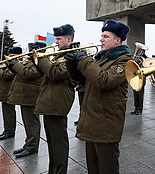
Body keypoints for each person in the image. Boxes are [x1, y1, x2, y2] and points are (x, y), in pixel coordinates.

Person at [64, 19, 131, 173]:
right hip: (92, 124)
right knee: (93, 169)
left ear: (117, 40)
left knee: (108, 169)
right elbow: (81, 82)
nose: (101, 39)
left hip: (106, 126)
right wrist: (72, 63)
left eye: (106, 36)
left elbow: (104, 81)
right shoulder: (101, 59)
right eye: (101, 35)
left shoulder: (125, 62)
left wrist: (84, 60)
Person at [35, 24, 76, 174]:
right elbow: (46, 73)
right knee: (52, 142)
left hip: (58, 102)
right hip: (50, 100)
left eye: (59, 39)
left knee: (59, 144)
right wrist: (36, 60)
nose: (56, 41)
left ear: (69, 39)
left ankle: (60, 171)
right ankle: (53, 170)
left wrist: (42, 58)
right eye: (56, 38)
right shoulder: (59, 54)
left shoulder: (71, 55)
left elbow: (56, 74)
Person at [6, 42, 46, 158]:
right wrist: (12, 66)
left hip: (31, 95)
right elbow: (21, 72)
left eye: (33, 50)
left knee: (32, 123)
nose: (30, 51)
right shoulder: (30, 60)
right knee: (27, 123)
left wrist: (15, 65)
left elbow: (28, 74)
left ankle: (32, 147)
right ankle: (28, 144)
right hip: (26, 95)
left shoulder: (40, 61)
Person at [0, 46, 21, 140]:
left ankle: (9, 132)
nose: (9, 57)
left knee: (9, 113)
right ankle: (7, 130)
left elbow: (6, 75)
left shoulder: (18, 64)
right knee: (6, 113)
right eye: (9, 55)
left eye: (12, 55)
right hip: (5, 90)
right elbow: (1, 75)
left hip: (10, 90)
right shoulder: (11, 64)